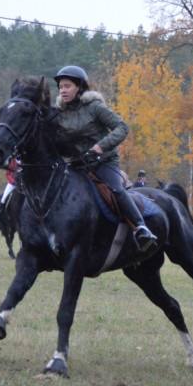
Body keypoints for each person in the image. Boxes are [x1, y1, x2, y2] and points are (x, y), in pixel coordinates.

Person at [52, 65, 157, 251]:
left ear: (79, 87)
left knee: (116, 189)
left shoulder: (95, 107)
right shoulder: (60, 114)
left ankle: (141, 229)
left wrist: (102, 145)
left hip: (103, 163)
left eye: (67, 86)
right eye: (60, 87)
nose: (63, 90)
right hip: (75, 166)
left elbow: (122, 127)